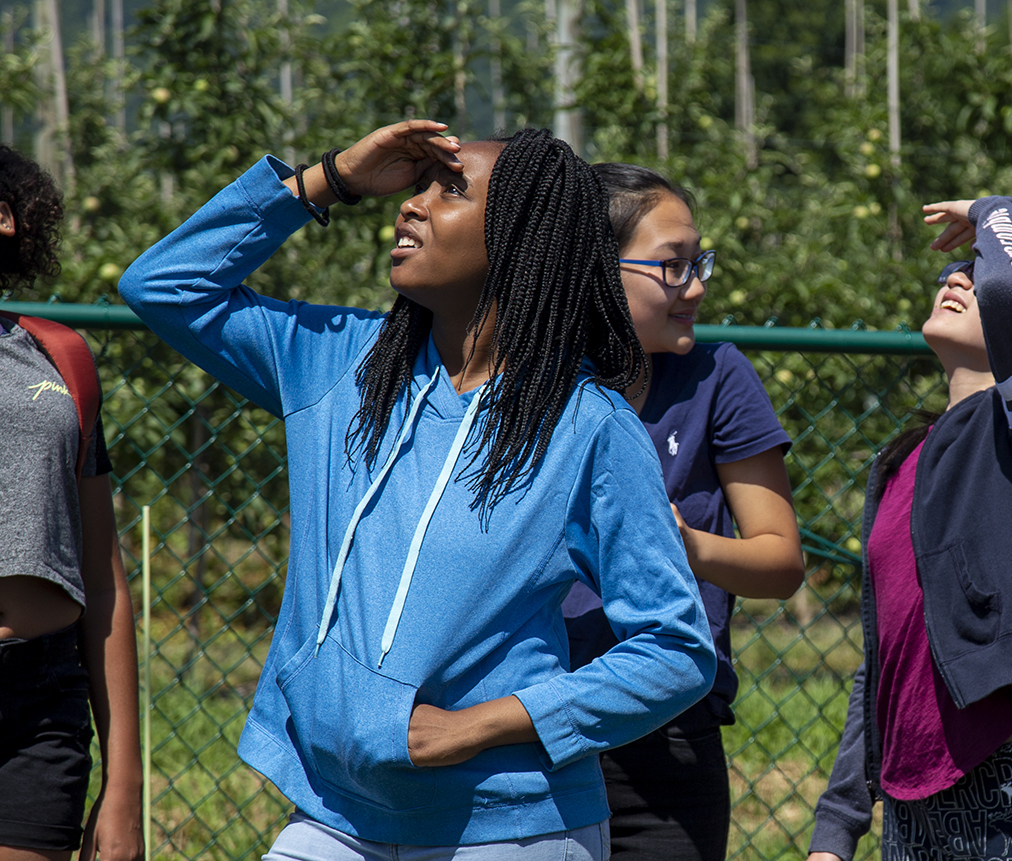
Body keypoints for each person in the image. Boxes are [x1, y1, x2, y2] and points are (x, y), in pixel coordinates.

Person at [117, 122, 716, 858]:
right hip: (335, 813)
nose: (411, 206)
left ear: (520, 238)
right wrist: (330, 178)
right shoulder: (339, 363)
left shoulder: (587, 426)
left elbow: (675, 648)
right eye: (416, 188)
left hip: (513, 825)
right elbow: (163, 285)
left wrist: (480, 724)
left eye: (448, 191)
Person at [806, 196, 1012, 861]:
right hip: (910, 807)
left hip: (1010, 784)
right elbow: (881, 662)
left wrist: (998, 212)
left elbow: (1004, 291)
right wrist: (836, 828)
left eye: (973, 271)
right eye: (953, 271)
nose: (956, 278)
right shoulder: (900, 463)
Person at [561, 162, 804, 861]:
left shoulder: (717, 377)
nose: (696, 286)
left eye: (700, 262)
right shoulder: (525, 387)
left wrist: (687, 546)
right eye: (673, 266)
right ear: (596, 272)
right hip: (533, 729)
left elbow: (780, 561)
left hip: (670, 735)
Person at [0, 146, 142, 861]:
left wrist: (125, 788)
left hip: (40, 701)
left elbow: (103, 572)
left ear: (4, 219)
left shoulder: (62, 358)